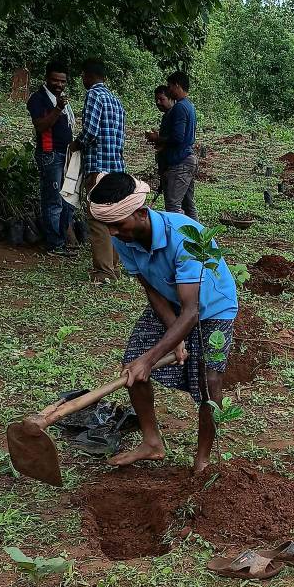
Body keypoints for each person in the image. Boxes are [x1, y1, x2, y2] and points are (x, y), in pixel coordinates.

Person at [88, 172, 238, 474]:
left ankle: (203, 459)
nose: (113, 233)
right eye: (108, 226)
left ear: (142, 213)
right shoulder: (124, 238)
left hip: (213, 308)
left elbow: (192, 311)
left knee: (209, 382)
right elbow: (151, 289)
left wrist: (151, 358)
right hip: (170, 301)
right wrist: (172, 337)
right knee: (132, 366)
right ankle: (152, 442)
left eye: (118, 224)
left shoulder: (185, 237)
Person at [68, 59, 126, 283]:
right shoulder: (115, 100)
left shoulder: (94, 95)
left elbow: (90, 132)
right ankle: (114, 267)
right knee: (114, 217)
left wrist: (75, 144)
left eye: (83, 76)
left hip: (98, 168)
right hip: (117, 168)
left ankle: (103, 272)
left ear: (87, 75)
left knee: (97, 217)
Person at [26, 60, 75, 256]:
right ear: (47, 78)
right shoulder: (38, 99)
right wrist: (57, 109)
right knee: (53, 200)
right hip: (50, 154)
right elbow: (40, 126)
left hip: (65, 154)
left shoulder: (59, 98)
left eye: (62, 81)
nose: (59, 85)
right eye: (55, 80)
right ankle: (54, 244)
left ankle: (61, 240)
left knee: (66, 200)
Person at [153, 70, 198, 219]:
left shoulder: (179, 107)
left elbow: (178, 137)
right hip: (187, 159)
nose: (169, 89)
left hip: (180, 162)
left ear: (177, 85)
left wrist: (158, 138)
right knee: (188, 206)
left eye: (170, 86)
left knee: (173, 206)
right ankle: (199, 234)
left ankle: (177, 233)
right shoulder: (189, 106)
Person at [145, 85, 174, 194]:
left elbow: (176, 138)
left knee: (172, 200)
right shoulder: (166, 115)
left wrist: (157, 138)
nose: (158, 102)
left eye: (162, 99)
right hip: (166, 163)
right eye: (156, 100)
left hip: (173, 164)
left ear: (170, 98)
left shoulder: (174, 114)